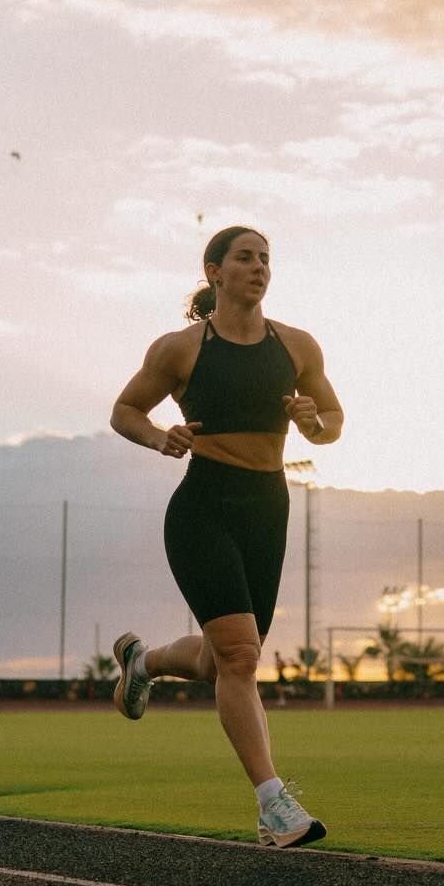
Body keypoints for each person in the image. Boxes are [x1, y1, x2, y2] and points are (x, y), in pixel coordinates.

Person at [109, 226, 343, 848]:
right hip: (203, 507)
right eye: (245, 257)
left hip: (268, 510)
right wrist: (162, 438)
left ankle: (145, 661)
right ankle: (274, 806)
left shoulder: (296, 346)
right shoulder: (180, 350)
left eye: (266, 258)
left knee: (223, 662)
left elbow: (334, 422)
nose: (259, 267)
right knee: (240, 658)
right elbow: (124, 410)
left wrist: (313, 423)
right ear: (214, 271)